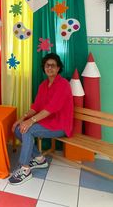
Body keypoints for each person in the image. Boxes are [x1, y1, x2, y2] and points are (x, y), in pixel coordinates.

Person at [8, 53, 73, 185]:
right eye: (47, 65)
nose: (49, 68)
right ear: (44, 68)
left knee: (27, 130)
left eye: (53, 65)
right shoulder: (43, 85)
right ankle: (39, 159)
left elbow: (50, 108)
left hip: (60, 124)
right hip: (46, 121)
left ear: (58, 68)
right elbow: (36, 107)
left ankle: (25, 169)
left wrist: (30, 121)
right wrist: (21, 119)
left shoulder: (63, 84)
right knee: (18, 129)